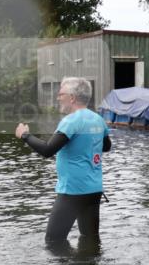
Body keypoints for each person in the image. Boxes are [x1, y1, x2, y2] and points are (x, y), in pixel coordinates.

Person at [15, 77, 110, 254]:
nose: (58, 98)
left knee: (53, 241)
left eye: (61, 94)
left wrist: (25, 135)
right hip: (94, 190)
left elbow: (47, 150)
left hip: (72, 191)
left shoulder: (71, 121)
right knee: (90, 238)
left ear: (72, 97)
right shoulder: (98, 119)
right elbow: (107, 146)